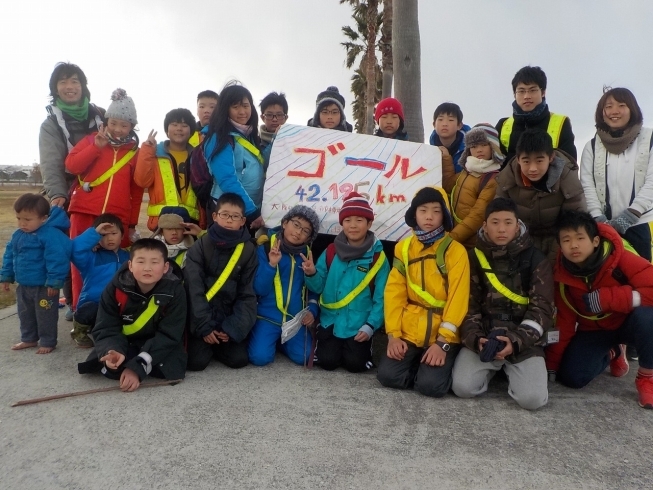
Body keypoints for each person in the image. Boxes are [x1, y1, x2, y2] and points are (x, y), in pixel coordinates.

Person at [451, 198, 554, 410]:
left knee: (532, 400)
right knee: (463, 388)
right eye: (495, 222)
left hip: (523, 340)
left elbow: (541, 310)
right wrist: (476, 339)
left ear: (517, 225)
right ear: (484, 225)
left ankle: (510, 369)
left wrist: (515, 341)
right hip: (486, 336)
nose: (501, 229)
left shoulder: (535, 259)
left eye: (508, 222)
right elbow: (467, 306)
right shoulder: (473, 258)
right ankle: (495, 367)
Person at [546, 211, 653, 409]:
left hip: (629, 322)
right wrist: (552, 365)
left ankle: (647, 379)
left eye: (580, 238)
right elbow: (564, 322)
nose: (574, 245)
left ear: (595, 241)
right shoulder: (562, 275)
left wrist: (609, 298)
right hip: (594, 331)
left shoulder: (619, 258)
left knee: (648, 318)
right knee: (572, 378)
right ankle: (613, 352)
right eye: (566, 240)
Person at [377, 187, 470, 397]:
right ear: (414, 214)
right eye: (423, 210)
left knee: (431, 387)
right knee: (387, 377)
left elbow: (458, 298)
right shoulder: (403, 248)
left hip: (443, 333)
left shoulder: (455, 251)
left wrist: (443, 343)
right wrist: (393, 335)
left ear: (444, 215)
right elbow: (394, 293)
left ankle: (437, 367)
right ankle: (422, 367)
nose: (429, 216)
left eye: (436, 211)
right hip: (410, 331)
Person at [65, 88, 143, 309]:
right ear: (106, 121)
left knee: (112, 266)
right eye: (114, 123)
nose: (118, 129)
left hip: (115, 218)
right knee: (80, 263)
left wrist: (130, 224)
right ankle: (81, 312)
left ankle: (110, 311)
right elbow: (71, 166)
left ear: (132, 127)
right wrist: (95, 148)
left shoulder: (134, 153)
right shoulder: (92, 140)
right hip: (83, 212)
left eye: (124, 125)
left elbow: (136, 193)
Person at [39, 62, 104, 320]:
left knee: (103, 244)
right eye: (63, 82)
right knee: (69, 249)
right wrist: (57, 195)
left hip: (101, 191)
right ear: (55, 88)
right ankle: (77, 304)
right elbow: (51, 162)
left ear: (83, 85)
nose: (70, 86)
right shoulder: (51, 124)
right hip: (69, 194)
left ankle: (105, 298)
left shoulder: (100, 115)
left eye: (75, 81)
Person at [77, 239, 187, 392]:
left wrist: (137, 367)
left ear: (165, 267)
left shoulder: (175, 291)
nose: (147, 268)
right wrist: (112, 350)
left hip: (157, 342)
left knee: (171, 368)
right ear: (130, 265)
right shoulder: (115, 288)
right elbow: (106, 327)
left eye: (155, 262)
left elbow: (170, 334)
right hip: (125, 341)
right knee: (112, 365)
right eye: (140, 262)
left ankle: (138, 361)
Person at [303, 193, 390, 372]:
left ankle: (364, 350)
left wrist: (371, 326)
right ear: (341, 223)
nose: (353, 225)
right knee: (327, 362)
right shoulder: (330, 251)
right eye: (348, 220)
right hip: (330, 321)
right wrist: (311, 274)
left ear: (369, 224)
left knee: (355, 365)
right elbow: (318, 288)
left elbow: (382, 297)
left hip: (359, 324)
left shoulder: (378, 257)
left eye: (359, 220)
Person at [184, 193, 258, 371]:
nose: (229, 220)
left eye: (235, 216)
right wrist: (204, 326)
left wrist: (232, 329)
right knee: (196, 363)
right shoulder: (200, 246)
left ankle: (220, 340)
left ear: (243, 221)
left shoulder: (248, 250)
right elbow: (193, 290)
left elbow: (247, 294)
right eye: (224, 214)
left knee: (239, 360)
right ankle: (207, 340)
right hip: (202, 316)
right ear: (215, 216)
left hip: (228, 317)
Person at [580, 87, 653, 263]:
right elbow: (586, 184)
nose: (615, 111)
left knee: (643, 280)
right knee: (610, 281)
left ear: (632, 110)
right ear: (602, 112)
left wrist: (632, 214)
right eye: (609, 106)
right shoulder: (591, 146)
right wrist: (598, 218)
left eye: (622, 105)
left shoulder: (649, 139)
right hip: (604, 227)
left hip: (641, 223)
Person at [495, 128, 586, 263]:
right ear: (518, 159)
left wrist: (550, 261)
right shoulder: (506, 180)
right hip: (520, 240)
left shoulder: (568, 178)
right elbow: (499, 219)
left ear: (550, 158)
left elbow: (575, 222)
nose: (532, 168)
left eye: (539, 161)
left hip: (557, 241)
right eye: (526, 161)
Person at [249, 205, 320, 366]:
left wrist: (313, 310)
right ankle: (272, 340)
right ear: (284, 223)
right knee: (260, 358)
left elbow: (315, 291)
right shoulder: (265, 248)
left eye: (305, 231)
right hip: (266, 317)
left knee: (305, 357)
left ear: (309, 238)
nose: (298, 232)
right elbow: (258, 288)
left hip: (294, 320)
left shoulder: (307, 256)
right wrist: (271, 265)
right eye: (296, 224)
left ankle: (282, 342)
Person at [1, 194, 71, 354]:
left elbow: (57, 258)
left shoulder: (49, 235)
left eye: (28, 219)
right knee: (25, 313)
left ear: (43, 218)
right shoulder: (17, 235)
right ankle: (29, 338)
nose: (22, 223)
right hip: (23, 284)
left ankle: (48, 341)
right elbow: (9, 255)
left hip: (44, 287)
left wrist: (54, 281)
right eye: (19, 218)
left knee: (46, 315)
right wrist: (6, 276)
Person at [203, 83, 268, 230]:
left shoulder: (247, 135)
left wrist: (281, 139)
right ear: (225, 109)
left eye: (246, 105)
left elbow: (261, 161)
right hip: (228, 212)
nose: (242, 111)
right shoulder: (219, 137)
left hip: (246, 210)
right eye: (235, 106)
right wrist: (252, 211)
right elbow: (227, 180)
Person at [135, 108, 201, 232]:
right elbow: (142, 182)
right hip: (161, 222)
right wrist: (147, 150)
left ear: (191, 131)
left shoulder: (198, 156)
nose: (179, 129)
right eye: (174, 124)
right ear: (166, 130)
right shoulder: (153, 153)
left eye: (184, 125)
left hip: (190, 222)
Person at [70, 213, 129, 348]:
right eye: (103, 235)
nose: (109, 238)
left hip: (119, 305)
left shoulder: (129, 257)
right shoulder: (90, 258)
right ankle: (79, 331)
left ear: (122, 235)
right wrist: (93, 234)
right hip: (95, 303)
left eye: (113, 233)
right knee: (88, 311)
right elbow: (75, 250)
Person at [496, 65, 576, 164]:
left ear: (543, 92)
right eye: (521, 91)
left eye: (532, 90)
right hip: (510, 179)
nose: (526, 96)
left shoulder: (561, 123)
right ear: (514, 94)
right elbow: (495, 166)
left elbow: (569, 165)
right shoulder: (503, 125)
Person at [442, 124, 503, 248]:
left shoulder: (493, 179)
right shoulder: (466, 172)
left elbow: (477, 217)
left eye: (484, 145)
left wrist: (450, 239)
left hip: (472, 244)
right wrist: (446, 158)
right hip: (455, 240)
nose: (479, 150)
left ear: (493, 147)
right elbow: (448, 186)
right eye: (474, 146)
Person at [429, 102, 470, 173]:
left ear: (459, 125)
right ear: (434, 125)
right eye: (440, 119)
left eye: (450, 120)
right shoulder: (428, 151)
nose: (445, 124)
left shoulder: (470, 149)